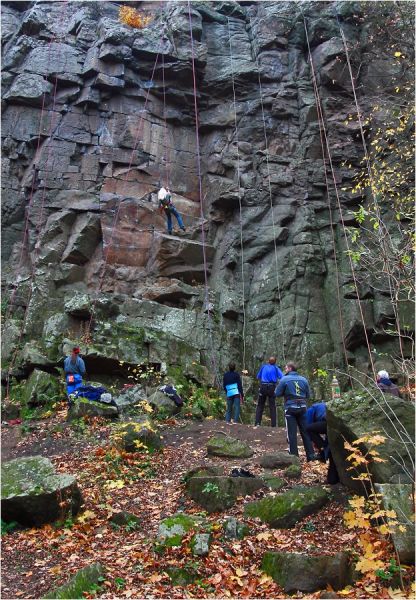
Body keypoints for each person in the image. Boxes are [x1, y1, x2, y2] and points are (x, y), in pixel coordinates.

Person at [274, 362, 316, 461]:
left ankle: (294, 457)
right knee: (306, 432)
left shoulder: (284, 379)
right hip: (302, 407)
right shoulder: (304, 379)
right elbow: (308, 395)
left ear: (289, 368)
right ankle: (311, 456)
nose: (285, 369)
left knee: (291, 433)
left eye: (286, 368)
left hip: (290, 408)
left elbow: (277, 393)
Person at [305, 402, 340, 484]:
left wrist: (320, 445)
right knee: (331, 451)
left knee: (309, 429)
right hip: (332, 424)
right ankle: (333, 480)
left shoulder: (310, 410)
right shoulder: (322, 405)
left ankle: (323, 451)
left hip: (327, 423)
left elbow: (309, 427)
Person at [255, 357, 283, 427]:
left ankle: (257, 423)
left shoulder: (263, 367)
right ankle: (273, 425)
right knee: (272, 406)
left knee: (260, 405)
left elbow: (258, 376)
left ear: (268, 361)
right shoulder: (276, 368)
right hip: (271, 387)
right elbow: (282, 377)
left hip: (263, 386)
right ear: (275, 362)